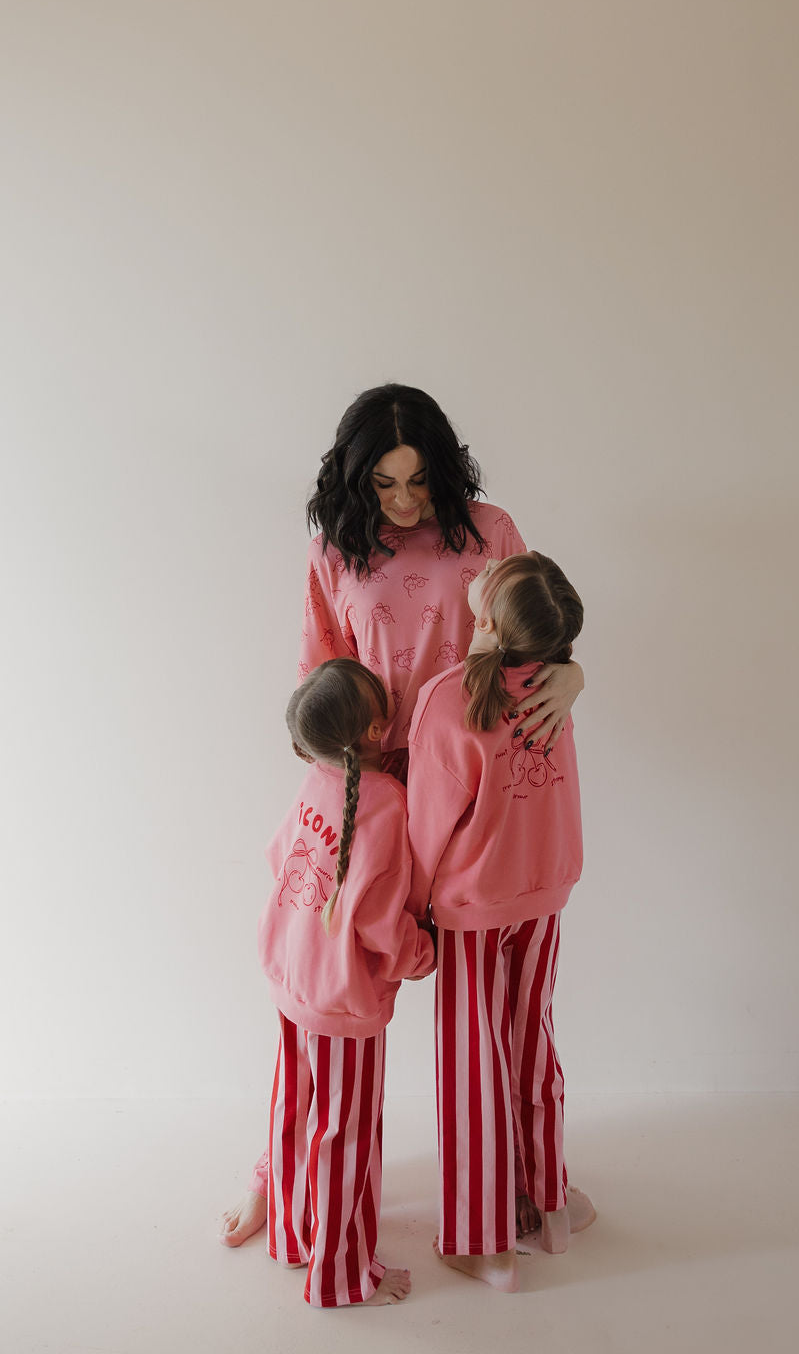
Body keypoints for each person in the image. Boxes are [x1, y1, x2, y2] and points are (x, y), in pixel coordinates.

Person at [220, 384, 586, 1246]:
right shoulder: (332, 555)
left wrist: (573, 674)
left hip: (476, 831)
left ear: (445, 469)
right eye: (383, 484)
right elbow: (321, 699)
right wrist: (356, 820)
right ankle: (280, 1178)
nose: (404, 502)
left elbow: (534, 633)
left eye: (419, 480)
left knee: (508, 1024)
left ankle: (531, 1190)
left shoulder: (490, 532)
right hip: (373, 819)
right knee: (318, 1006)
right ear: (354, 483)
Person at [405, 552, 587, 1292]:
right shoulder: (555, 688)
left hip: (473, 910)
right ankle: (548, 1207)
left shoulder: (447, 696)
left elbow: (426, 824)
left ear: (483, 621)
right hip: (544, 895)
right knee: (530, 1044)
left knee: (472, 1067)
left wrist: (416, 907)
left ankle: (484, 1243)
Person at [257, 658, 435, 1307]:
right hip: (341, 999)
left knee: (292, 1109)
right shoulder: (387, 805)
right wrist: (424, 954)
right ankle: (342, 1275)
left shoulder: (315, 779)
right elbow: (383, 923)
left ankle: (289, 1233)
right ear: (376, 729)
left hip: (290, 974)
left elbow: (281, 855)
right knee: (345, 1133)